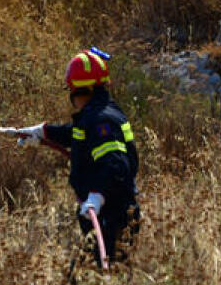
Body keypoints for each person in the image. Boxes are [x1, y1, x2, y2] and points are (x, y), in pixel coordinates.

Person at [11, 47, 140, 267]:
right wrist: (43, 132)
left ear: (84, 91)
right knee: (90, 277)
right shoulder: (97, 114)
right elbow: (78, 136)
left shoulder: (102, 120)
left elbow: (116, 164)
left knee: (88, 279)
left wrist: (97, 197)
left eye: (72, 93)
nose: (72, 99)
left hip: (113, 214)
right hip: (104, 212)